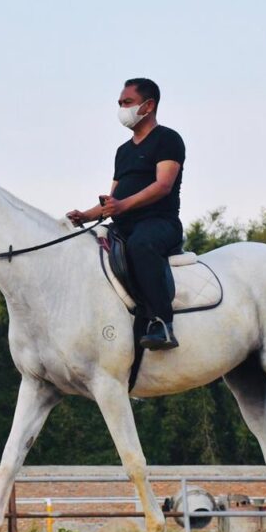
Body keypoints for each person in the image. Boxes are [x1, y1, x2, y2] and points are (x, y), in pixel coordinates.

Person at [68, 77, 186, 350]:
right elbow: (114, 200)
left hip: (159, 223)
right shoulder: (122, 152)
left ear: (148, 105)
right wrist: (85, 216)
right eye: (120, 103)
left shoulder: (168, 139)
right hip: (123, 224)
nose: (122, 108)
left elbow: (163, 186)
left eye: (128, 103)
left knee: (141, 245)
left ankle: (161, 323)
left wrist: (121, 206)